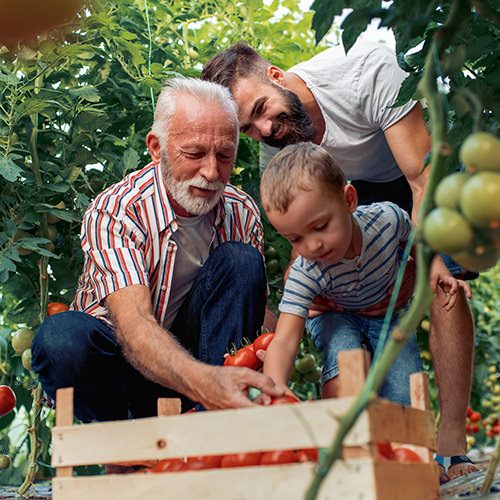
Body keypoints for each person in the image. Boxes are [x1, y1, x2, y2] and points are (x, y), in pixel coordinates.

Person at [201, 39, 476, 481]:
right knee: (330, 301)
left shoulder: (366, 71)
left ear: (275, 75)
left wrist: (428, 268)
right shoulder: (281, 141)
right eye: (248, 129)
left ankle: (453, 444)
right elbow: (301, 234)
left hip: (417, 167)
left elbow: (421, 183)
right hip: (344, 192)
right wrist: (294, 313)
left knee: (443, 282)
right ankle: (365, 453)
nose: (264, 130)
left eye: (261, 110)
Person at [31, 77, 284, 423]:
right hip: (122, 372)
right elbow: (134, 328)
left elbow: (251, 314)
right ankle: (122, 447)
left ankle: (215, 429)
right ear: (156, 147)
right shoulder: (117, 210)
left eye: (225, 155)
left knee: (242, 261)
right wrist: (207, 382)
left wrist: (284, 341)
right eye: (194, 154)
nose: (211, 172)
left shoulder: (240, 211)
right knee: (61, 339)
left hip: (202, 367)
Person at [260, 142, 464, 406]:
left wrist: (438, 269)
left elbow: (417, 244)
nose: (312, 246)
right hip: (336, 316)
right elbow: (285, 341)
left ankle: (407, 445)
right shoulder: (306, 272)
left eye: (320, 226)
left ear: (349, 200)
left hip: (386, 314)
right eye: (295, 238)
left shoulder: (388, 220)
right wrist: (273, 389)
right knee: (344, 360)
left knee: (405, 391)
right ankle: (342, 432)